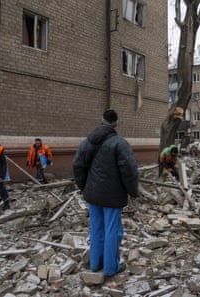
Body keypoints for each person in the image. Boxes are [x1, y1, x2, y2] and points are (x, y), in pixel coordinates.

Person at [72, 109, 139, 277]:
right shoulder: (120, 143)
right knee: (112, 230)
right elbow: (129, 170)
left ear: (101, 121)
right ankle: (110, 269)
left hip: (93, 194)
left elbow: (77, 166)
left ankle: (95, 264)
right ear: (116, 123)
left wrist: (84, 187)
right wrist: (133, 191)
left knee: (95, 228)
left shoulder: (87, 141)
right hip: (113, 195)